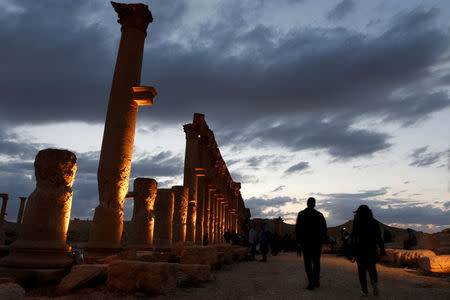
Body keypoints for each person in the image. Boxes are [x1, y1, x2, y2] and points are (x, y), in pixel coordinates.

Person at [351, 205, 386, 297]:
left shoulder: (356, 222)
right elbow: (379, 237)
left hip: (360, 250)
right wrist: (382, 249)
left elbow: (353, 236)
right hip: (371, 249)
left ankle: (365, 291)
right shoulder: (374, 222)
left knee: (361, 271)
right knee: (372, 269)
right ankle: (374, 282)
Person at [295, 197, 327, 290]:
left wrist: (298, 242)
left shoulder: (301, 214)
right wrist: (322, 240)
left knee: (308, 263)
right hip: (317, 243)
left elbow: (298, 229)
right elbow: (324, 229)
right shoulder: (319, 215)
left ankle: (311, 281)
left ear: (307, 204)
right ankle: (316, 280)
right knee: (316, 262)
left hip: (306, 243)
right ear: (314, 204)